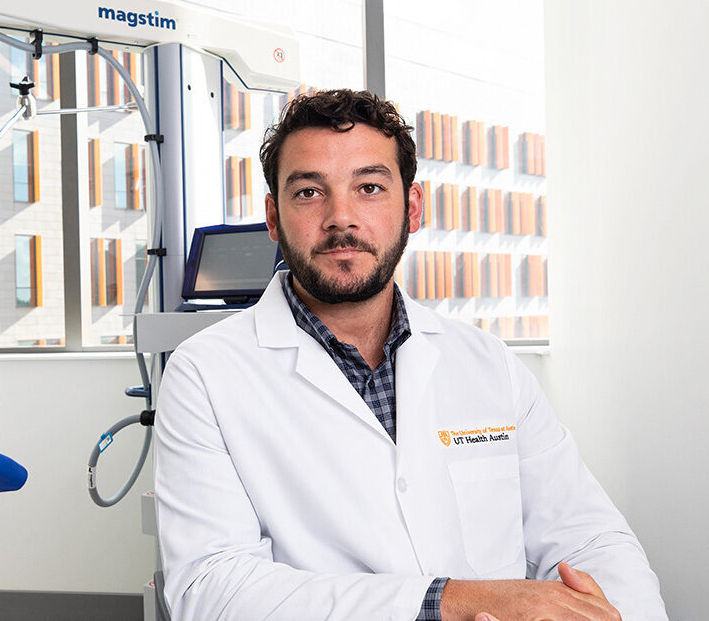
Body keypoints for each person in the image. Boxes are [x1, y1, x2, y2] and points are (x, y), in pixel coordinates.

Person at [153, 89, 667, 621]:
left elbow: (589, 538)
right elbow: (215, 589)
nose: (340, 218)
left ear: (412, 208)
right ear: (274, 219)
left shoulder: (488, 363)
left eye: (370, 187)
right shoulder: (205, 375)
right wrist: (449, 602)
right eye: (309, 192)